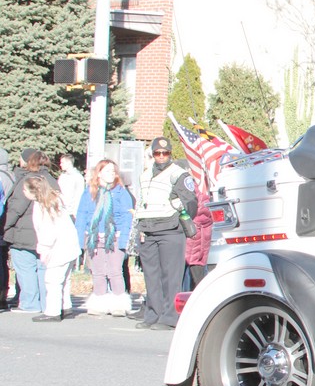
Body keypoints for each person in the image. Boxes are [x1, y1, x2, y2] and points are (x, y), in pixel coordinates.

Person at [132, 137, 197, 330]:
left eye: (165, 153)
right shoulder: (144, 175)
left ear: (170, 153)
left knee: (171, 276)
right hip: (148, 229)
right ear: (152, 155)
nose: (161, 156)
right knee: (151, 275)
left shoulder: (178, 174)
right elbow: (141, 202)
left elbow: (191, 202)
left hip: (170, 230)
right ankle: (153, 314)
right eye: (158, 153)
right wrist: (140, 227)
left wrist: (178, 211)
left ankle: (170, 318)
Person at [74, 159, 135, 317]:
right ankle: (99, 303)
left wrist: (123, 239)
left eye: (113, 171)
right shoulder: (89, 192)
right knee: (98, 272)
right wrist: (80, 239)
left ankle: (119, 304)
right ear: (99, 173)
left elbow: (126, 215)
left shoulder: (121, 192)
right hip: (94, 237)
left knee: (115, 271)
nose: (111, 174)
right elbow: (82, 215)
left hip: (114, 237)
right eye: (107, 171)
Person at [3, 149, 58, 313]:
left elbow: (16, 209)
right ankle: (44, 302)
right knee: (41, 269)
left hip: (23, 233)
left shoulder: (28, 180)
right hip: (45, 233)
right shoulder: (51, 179)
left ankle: (29, 303)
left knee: (25, 268)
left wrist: (3, 226)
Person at [22, 176, 80, 322]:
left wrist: (43, 249)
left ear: (34, 191)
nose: (24, 192)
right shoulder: (55, 199)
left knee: (52, 280)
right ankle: (66, 307)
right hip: (70, 244)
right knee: (65, 279)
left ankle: (53, 311)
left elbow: (47, 231)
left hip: (58, 247)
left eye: (25, 189)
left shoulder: (44, 205)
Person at [182, 187, 213, 290]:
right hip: (198, 238)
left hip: (194, 237)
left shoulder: (190, 188)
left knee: (192, 281)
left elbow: (199, 213)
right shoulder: (199, 190)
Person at [0, 147, 15, 310]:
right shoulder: (12, 174)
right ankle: (4, 293)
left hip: (2, 221)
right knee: (3, 260)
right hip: (8, 223)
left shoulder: (0, 177)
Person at [57, 154, 85, 220]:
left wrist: (75, 211)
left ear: (69, 163)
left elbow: (79, 195)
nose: (61, 164)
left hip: (71, 212)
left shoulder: (77, 177)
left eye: (62, 162)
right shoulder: (62, 176)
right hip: (61, 210)